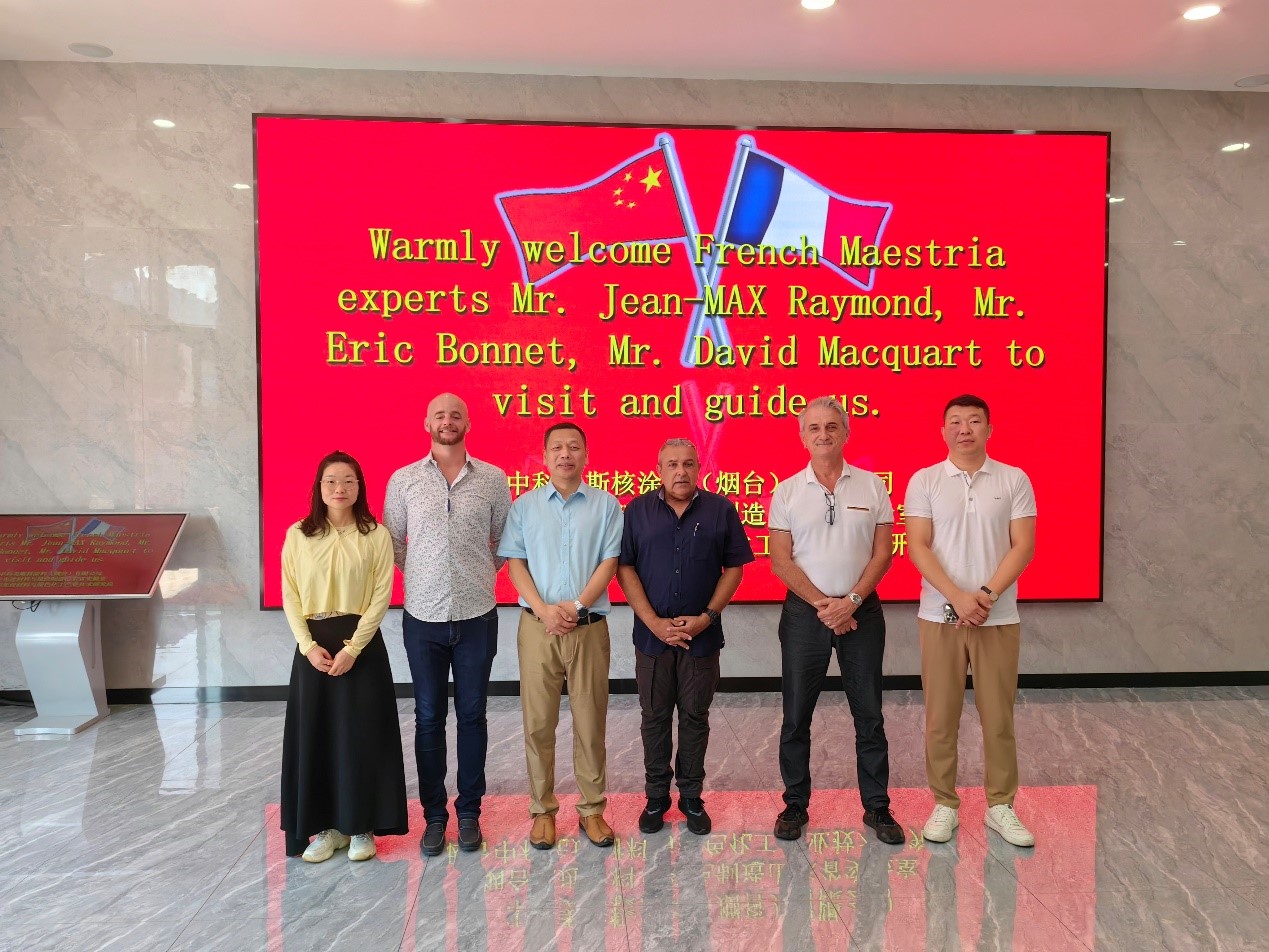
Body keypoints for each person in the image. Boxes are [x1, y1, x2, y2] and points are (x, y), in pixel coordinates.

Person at [768, 397, 904, 845]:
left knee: (870, 715)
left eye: (832, 426)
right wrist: (827, 607)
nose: (823, 434)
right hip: (804, 615)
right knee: (795, 716)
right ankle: (795, 803)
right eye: (814, 428)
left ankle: (877, 806)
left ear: (846, 433)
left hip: (862, 612)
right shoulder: (787, 491)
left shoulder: (873, 486)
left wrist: (851, 601)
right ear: (802, 437)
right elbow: (781, 560)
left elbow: (883, 553)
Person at [904, 394, 1037, 847]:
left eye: (975, 421)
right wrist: (958, 598)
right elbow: (918, 546)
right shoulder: (924, 481)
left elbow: (1023, 546)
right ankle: (945, 804)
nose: (965, 429)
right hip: (939, 615)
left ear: (989, 429)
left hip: (997, 617)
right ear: (943, 431)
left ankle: (1001, 805)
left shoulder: (1014, 479)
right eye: (956, 422)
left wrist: (985, 595)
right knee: (941, 717)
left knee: (998, 716)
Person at [383, 393, 511, 856]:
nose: (448, 421)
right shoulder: (404, 480)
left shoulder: (493, 479)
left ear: (468, 423)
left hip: (478, 616)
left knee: (473, 716)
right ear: (427, 423)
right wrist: (422, 574)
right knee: (429, 717)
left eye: (456, 415)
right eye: (439, 414)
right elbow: (393, 540)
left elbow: (504, 540)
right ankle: (435, 817)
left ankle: (470, 812)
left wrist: (475, 574)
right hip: (423, 617)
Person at [617, 438, 754, 836]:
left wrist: (706, 618)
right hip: (652, 640)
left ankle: (691, 797)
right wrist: (652, 622)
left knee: (695, 717)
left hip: (701, 639)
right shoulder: (637, 511)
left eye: (689, 464)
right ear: (659, 470)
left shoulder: (720, 510)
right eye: (673, 464)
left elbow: (734, 568)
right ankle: (656, 797)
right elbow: (625, 568)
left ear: (699, 468)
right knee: (654, 717)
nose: (681, 471)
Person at [497, 423, 623, 850]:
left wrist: (578, 605)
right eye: (557, 448)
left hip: (588, 629)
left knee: (590, 722)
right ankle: (542, 812)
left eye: (573, 447)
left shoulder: (607, 506)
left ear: (586, 454)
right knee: (538, 724)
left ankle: (592, 810)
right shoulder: (524, 507)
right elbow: (515, 563)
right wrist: (543, 608)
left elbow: (609, 562)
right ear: (545, 456)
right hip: (538, 629)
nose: (565, 454)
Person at [280, 450, 407, 862]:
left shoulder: (376, 535)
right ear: (319, 487)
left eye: (349, 481)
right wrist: (306, 646)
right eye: (332, 481)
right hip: (313, 649)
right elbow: (290, 594)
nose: (340, 488)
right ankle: (326, 829)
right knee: (317, 738)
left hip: (361, 649)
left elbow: (381, 596)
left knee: (361, 736)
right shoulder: (298, 534)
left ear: (360, 487)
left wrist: (353, 648)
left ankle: (361, 828)